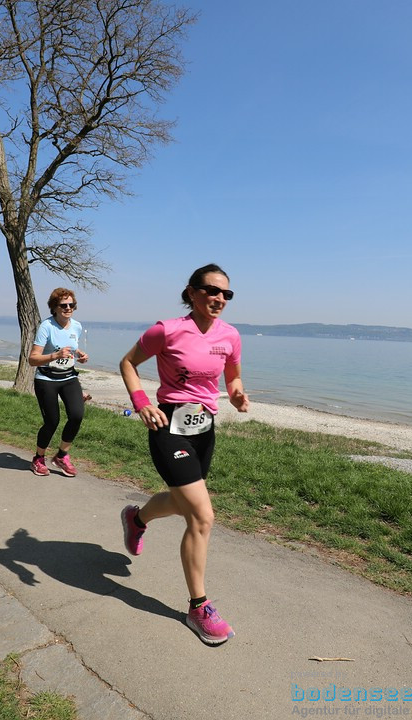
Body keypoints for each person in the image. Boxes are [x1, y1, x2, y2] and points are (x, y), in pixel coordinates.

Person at [118, 263, 249, 645]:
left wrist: (237, 393)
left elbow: (233, 376)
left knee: (182, 503)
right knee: (203, 516)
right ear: (191, 292)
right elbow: (128, 363)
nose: (219, 299)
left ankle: (137, 518)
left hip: (204, 429)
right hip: (166, 426)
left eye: (226, 294)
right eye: (211, 291)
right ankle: (199, 607)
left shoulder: (231, 336)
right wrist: (141, 401)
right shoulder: (167, 330)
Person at [27, 288, 89, 477]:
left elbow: (73, 347)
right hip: (46, 379)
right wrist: (55, 355)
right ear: (54, 307)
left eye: (71, 305)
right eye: (63, 305)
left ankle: (62, 455)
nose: (68, 308)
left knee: (77, 415)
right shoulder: (47, 326)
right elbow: (32, 359)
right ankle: (39, 458)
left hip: (69, 377)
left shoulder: (76, 326)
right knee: (52, 421)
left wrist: (80, 355)